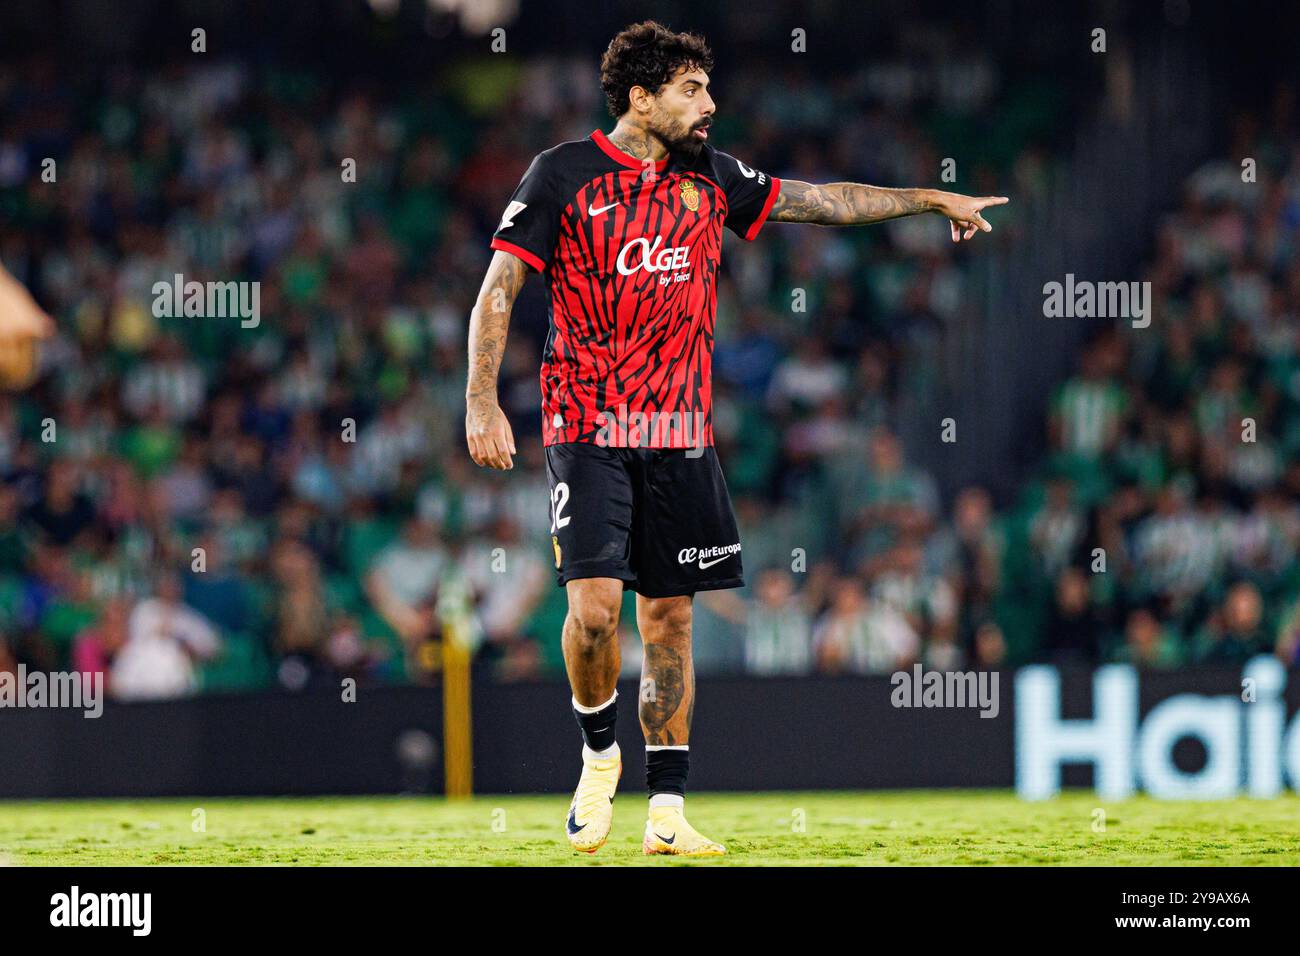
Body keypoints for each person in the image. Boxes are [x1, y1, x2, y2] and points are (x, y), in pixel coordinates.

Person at [464, 20, 1008, 856]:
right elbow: (500, 287)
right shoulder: (562, 175)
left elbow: (822, 201)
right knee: (597, 612)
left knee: (672, 624)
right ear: (640, 99)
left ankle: (668, 811)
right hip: (587, 427)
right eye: (692, 90)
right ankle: (599, 756)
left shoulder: (711, 177)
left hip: (681, 436)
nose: (711, 104)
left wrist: (930, 199)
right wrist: (482, 402)